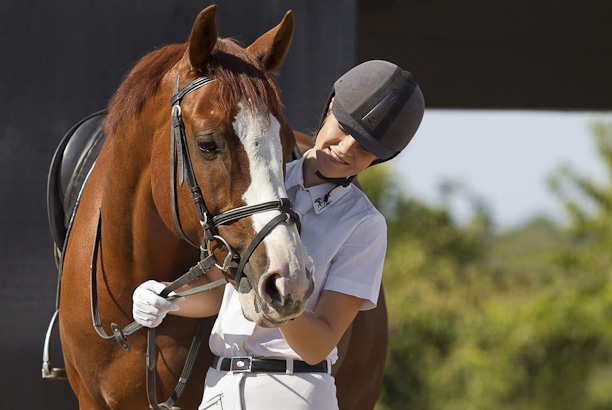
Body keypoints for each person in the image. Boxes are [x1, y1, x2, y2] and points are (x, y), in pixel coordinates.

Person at [132, 60, 425, 410]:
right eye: (344, 129)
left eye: (364, 147)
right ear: (330, 107)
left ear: (380, 158)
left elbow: (319, 344)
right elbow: (217, 294)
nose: (346, 148)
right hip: (220, 387)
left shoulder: (364, 225)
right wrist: (166, 299)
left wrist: (278, 302)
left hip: (294, 389)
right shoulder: (261, 183)